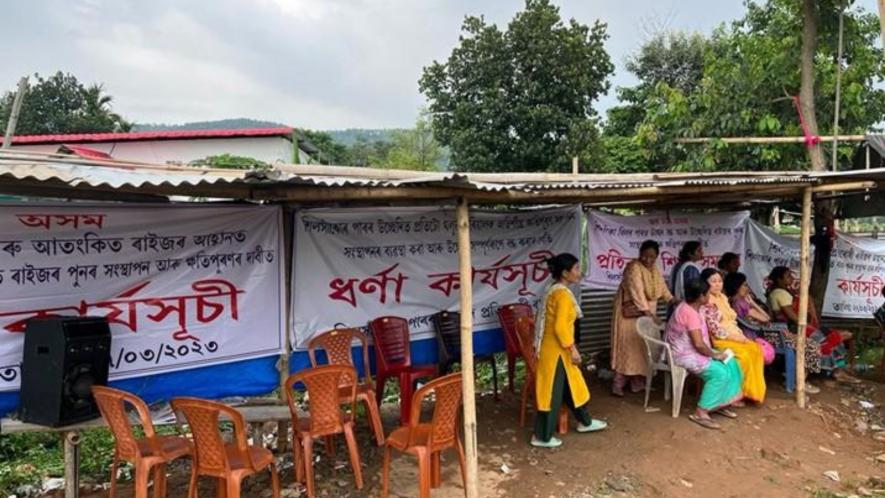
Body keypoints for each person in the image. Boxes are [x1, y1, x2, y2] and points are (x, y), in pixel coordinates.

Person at [531, 253, 607, 448]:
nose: (578, 272)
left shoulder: (554, 289)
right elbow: (560, 328)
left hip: (556, 350)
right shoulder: (562, 295)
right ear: (565, 273)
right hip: (556, 352)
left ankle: (585, 422)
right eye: (575, 269)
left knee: (571, 387)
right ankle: (542, 436)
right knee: (551, 394)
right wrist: (572, 349)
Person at [666, 278, 744, 430]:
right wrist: (715, 355)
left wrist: (718, 354)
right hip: (684, 355)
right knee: (720, 373)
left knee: (732, 362)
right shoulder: (689, 313)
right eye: (708, 293)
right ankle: (701, 412)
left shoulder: (696, 307)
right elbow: (699, 344)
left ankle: (720, 403)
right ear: (701, 296)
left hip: (696, 350)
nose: (710, 295)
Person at [725, 271, 822, 393]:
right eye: (744, 285)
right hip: (765, 336)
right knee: (810, 345)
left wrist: (753, 303)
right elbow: (766, 318)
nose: (747, 288)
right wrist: (753, 303)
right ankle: (800, 381)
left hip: (767, 333)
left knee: (809, 344)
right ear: (736, 287)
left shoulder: (737, 301)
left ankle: (798, 379)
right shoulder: (740, 303)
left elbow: (766, 318)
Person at [766, 266, 860, 384]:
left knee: (836, 337)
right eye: (788, 276)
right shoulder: (780, 293)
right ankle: (836, 371)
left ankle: (838, 369)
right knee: (828, 339)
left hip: (800, 326)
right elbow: (794, 318)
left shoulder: (786, 292)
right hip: (793, 329)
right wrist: (810, 326)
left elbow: (806, 301)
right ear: (779, 280)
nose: (792, 278)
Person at [610, 240, 677, 397]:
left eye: (652, 257)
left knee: (642, 348)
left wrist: (674, 300)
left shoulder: (654, 269)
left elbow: (663, 289)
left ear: (656, 257)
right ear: (640, 254)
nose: (648, 259)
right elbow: (637, 293)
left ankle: (637, 383)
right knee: (627, 349)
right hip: (631, 315)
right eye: (645, 256)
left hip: (647, 315)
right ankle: (617, 384)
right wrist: (650, 315)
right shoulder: (633, 267)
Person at [699, 268, 766, 403]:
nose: (717, 284)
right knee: (745, 355)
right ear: (705, 284)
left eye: (719, 281)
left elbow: (732, 320)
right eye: (713, 281)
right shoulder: (708, 301)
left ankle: (750, 392)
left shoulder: (723, 298)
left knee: (756, 350)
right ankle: (735, 393)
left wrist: (740, 336)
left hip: (735, 335)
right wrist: (736, 338)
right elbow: (715, 329)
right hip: (721, 340)